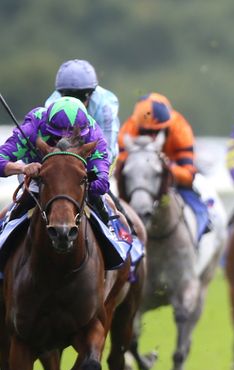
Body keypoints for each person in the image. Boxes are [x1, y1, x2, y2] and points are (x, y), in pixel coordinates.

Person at [0, 97, 132, 269]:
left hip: (79, 182)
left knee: (106, 204)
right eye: (56, 138)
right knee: (11, 212)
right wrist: (22, 168)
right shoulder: (33, 127)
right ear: (47, 128)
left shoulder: (93, 134)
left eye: (73, 138)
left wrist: (76, 183)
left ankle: (116, 239)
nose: (64, 142)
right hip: (39, 179)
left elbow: (102, 183)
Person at [115, 92, 210, 232]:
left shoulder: (180, 128)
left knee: (200, 211)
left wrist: (166, 167)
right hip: (136, 182)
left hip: (174, 182)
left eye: (157, 132)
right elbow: (120, 167)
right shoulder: (129, 127)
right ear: (138, 125)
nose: (151, 137)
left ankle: (203, 230)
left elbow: (189, 176)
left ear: (166, 126)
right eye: (145, 132)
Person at [45, 59, 120, 162]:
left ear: (91, 94)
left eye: (81, 96)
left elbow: (107, 151)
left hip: (98, 152)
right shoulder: (51, 106)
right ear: (60, 94)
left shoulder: (105, 108)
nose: (75, 102)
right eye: (69, 95)